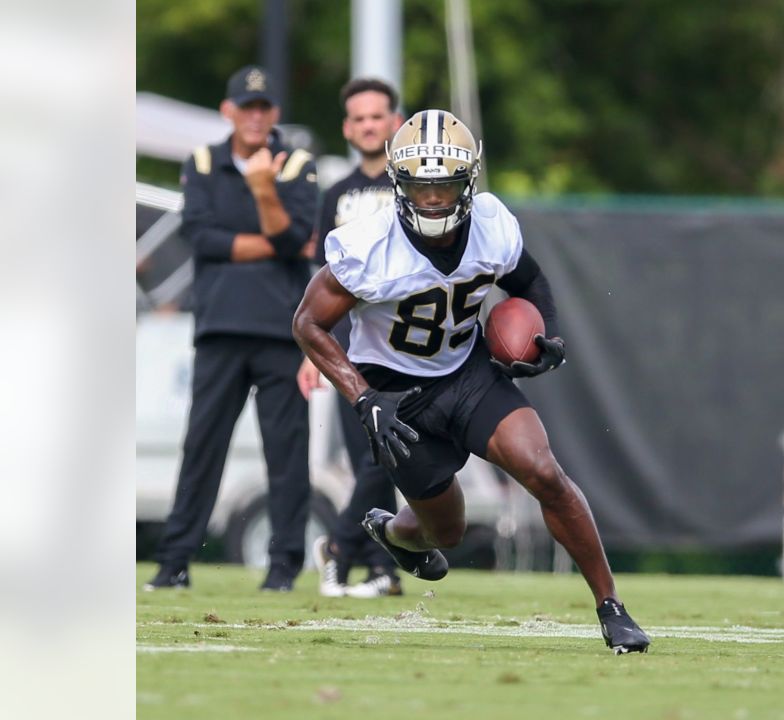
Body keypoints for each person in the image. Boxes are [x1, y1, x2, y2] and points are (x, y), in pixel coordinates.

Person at [292, 109, 651, 653]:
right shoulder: (368, 245)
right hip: (395, 395)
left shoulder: (492, 225)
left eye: (445, 186)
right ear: (397, 182)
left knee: (543, 471)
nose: (433, 200)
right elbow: (308, 323)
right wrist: (362, 397)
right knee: (447, 533)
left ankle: (612, 606)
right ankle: (392, 532)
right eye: (420, 185)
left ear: (469, 180)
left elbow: (529, 281)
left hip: (467, 372)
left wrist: (546, 336)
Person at [145, 65, 319, 593]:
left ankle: (284, 567)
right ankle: (175, 562)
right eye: (247, 107)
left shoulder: (298, 165)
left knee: (286, 454)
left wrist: (265, 191)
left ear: (275, 114)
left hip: (280, 332)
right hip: (220, 328)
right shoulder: (202, 161)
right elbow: (203, 238)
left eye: (263, 108)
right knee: (202, 448)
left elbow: (298, 239)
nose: (255, 116)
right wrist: (275, 238)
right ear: (229, 111)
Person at [297, 78, 406, 598]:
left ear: (393, 122)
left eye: (376, 116)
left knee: (392, 454)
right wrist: (311, 351)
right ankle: (362, 560)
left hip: (405, 344)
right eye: (358, 118)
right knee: (374, 455)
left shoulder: (416, 184)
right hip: (346, 346)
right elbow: (320, 280)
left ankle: (351, 553)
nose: (367, 125)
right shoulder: (335, 196)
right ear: (347, 127)